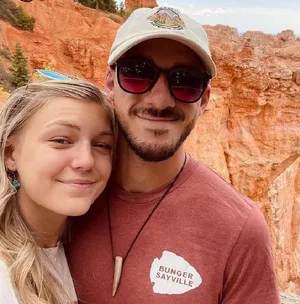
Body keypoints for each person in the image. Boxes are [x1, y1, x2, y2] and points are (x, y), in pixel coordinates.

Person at [66, 6, 281, 304]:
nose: (160, 100)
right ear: (111, 83)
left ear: (204, 99)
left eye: (185, 81)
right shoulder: (65, 191)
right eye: (138, 74)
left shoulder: (239, 228)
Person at [0, 80, 115, 304]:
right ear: (10, 154)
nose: (86, 160)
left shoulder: (79, 248)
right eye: (61, 140)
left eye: (102, 145)